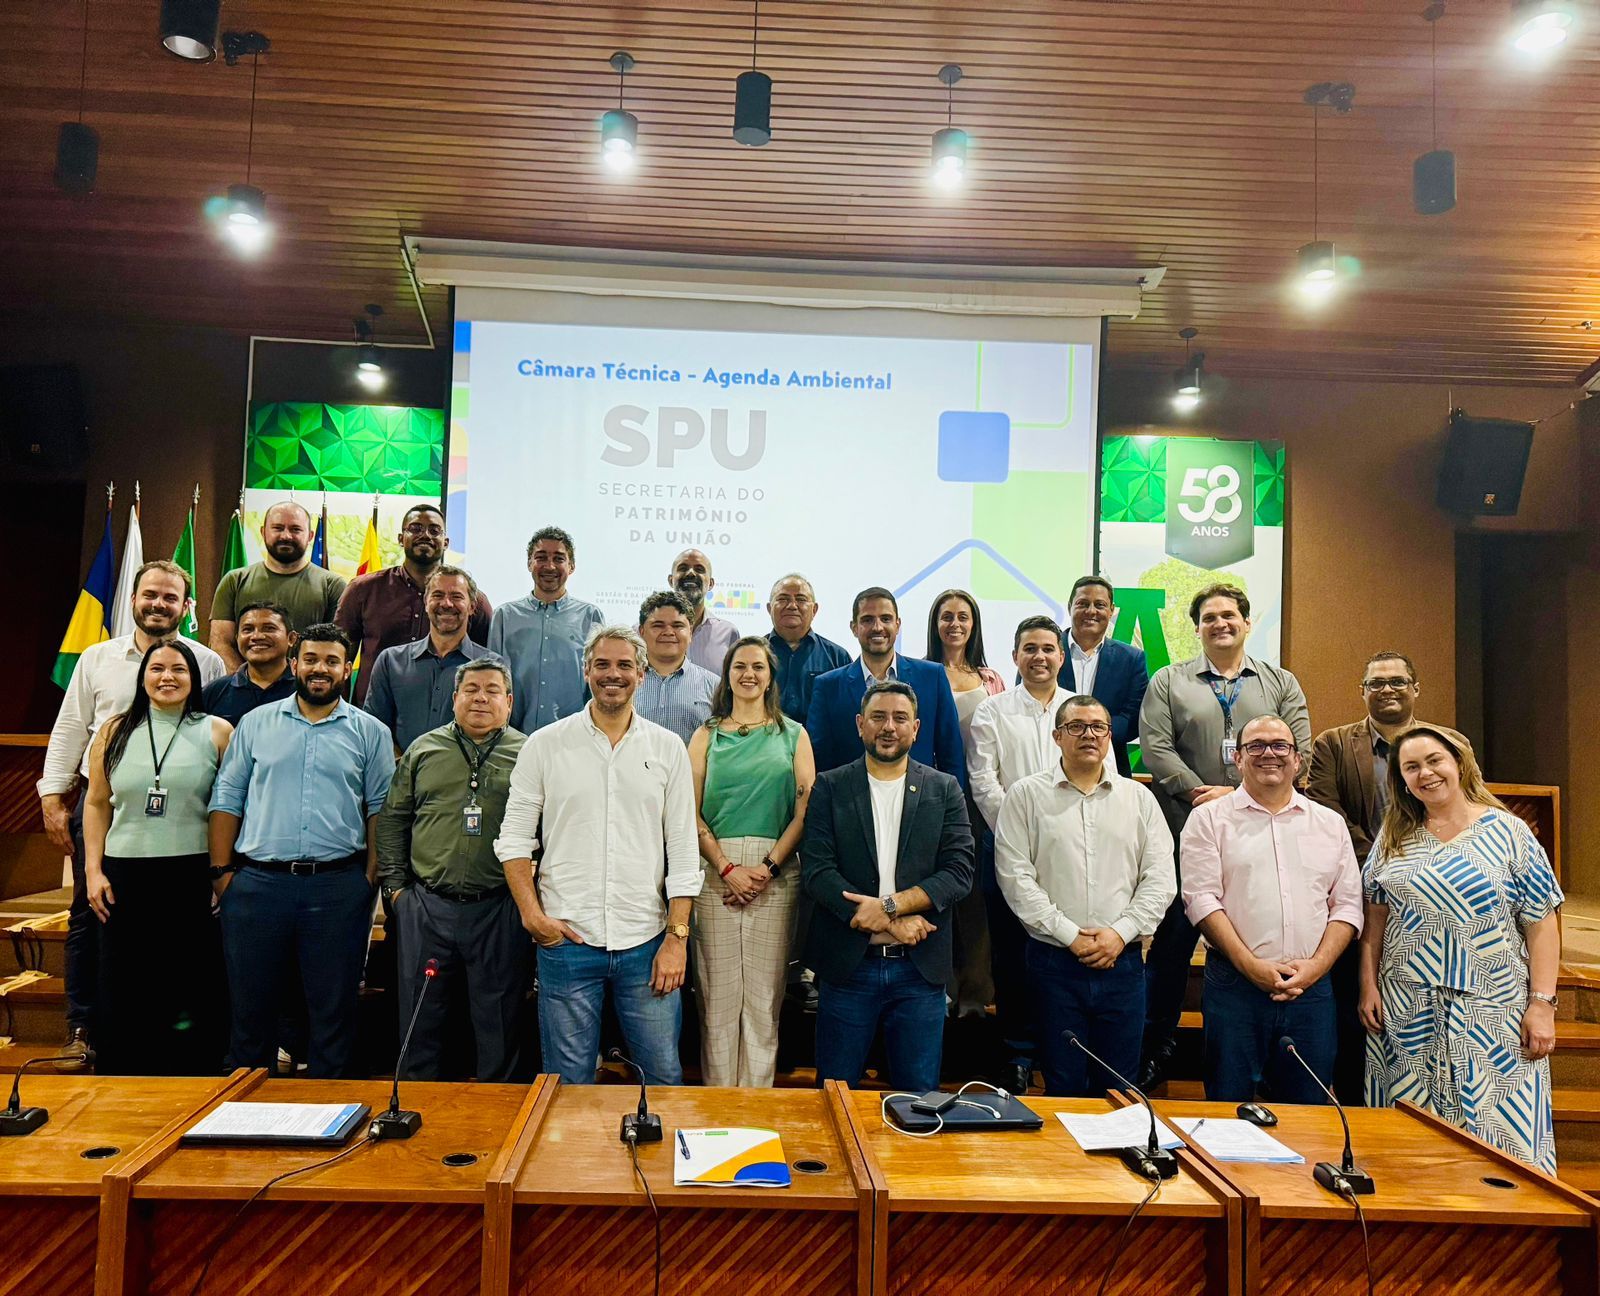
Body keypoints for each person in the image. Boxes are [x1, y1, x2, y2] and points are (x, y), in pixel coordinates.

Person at [38, 559, 226, 1064]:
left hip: (186, 833)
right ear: (134, 598)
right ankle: (84, 1027)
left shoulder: (207, 662)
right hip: (111, 811)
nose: (158, 604)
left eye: (170, 597)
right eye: (150, 595)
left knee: (184, 954)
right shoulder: (98, 658)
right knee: (91, 914)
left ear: (185, 606)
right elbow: (70, 727)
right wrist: (51, 794)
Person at [495, 625, 698, 1085]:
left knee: (664, 1078)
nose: (613, 674)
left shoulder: (667, 749)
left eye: (625, 664)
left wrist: (677, 938)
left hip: (647, 944)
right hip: (566, 943)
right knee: (567, 1085)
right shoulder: (544, 744)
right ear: (586, 671)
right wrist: (533, 917)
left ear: (642, 674)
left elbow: (684, 852)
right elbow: (513, 840)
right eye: (602, 664)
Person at [1359, 726, 1562, 1172]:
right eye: (1411, 767)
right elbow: (1374, 922)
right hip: (1408, 1011)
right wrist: (1367, 986)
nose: (1425, 774)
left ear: (1458, 763)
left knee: (1505, 1141)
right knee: (1410, 1146)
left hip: (1493, 1011)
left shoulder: (1509, 832)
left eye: (1434, 761)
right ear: (1401, 779)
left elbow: (1542, 923)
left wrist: (1542, 1004)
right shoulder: (1394, 837)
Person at [1137, 583, 1311, 1089]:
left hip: (1264, 834)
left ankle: (1261, 1047)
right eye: (1209, 617)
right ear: (1197, 628)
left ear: (1247, 622)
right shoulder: (1169, 681)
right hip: (1186, 827)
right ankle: (1156, 1047)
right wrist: (1202, 794)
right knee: (1172, 944)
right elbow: (1156, 749)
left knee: (1257, 929)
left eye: (1229, 615)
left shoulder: (1280, 682)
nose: (1220, 624)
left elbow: (1293, 743)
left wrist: (1242, 798)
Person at [209, 624, 395, 1078]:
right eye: (311, 659)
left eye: (332, 661)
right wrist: (222, 875)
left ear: (347, 669)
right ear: (295, 664)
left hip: (337, 888)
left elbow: (380, 812)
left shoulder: (370, 732)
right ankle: (243, 1118)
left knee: (333, 1012)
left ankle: (329, 1110)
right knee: (251, 1010)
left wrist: (366, 882)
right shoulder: (255, 724)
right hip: (256, 885)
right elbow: (226, 799)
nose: (320, 669)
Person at [1306, 650, 1469, 1105]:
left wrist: (1422, 866)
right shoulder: (1332, 745)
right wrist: (1390, 862)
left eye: (1397, 682)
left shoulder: (1448, 742)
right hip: (1358, 893)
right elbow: (1328, 814)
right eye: (1376, 683)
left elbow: (1464, 805)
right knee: (1358, 1011)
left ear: (1415, 689)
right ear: (1362, 692)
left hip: (1439, 900)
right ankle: (1361, 1107)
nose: (1387, 690)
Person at [994, 696, 1174, 1096]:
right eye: (1076, 726)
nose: (1088, 734)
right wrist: (1069, 935)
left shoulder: (1139, 799)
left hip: (1122, 965)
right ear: (1057, 736)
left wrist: (1120, 933)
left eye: (1098, 727)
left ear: (1110, 737)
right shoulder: (1025, 796)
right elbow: (1015, 877)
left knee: (1120, 1089)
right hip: (1054, 963)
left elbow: (1160, 878)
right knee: (1063, 1087)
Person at [801, 681, 973, 1091]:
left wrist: (891, 907)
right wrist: (891, 922)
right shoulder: (830, 786)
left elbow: (960, 870)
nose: (888, 727)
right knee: (834, 1095)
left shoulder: (944, 788)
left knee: (918, 1102)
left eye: (899, 718)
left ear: (915, 728)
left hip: (920, 971)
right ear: (861, 725)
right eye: (878, 717)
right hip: (848, 969)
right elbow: (818, 871)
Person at [1181, 715, 1361, 1103]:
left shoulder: (1329, 823)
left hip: (1310, 991)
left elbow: (1346, 904)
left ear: (1297, 760)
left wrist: (1315, 968)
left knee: (1308, 1114)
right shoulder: (1208, 819)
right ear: (1238, 758)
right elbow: (1201, 899)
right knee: (1229, 1111)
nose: (1269, 754)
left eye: (1280, 746)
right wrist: (1250, 966)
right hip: (1235, 987)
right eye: (1256, 746)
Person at [80, 641, 233, 1075]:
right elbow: (96, 804)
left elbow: (232, 810)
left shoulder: (218, 731)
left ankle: (191, 1076)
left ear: (194, 679)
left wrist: (222, 873)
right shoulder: (112, 731)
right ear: (142, 677)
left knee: (190, 981)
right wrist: (93, 871)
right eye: (157, 669)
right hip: (123, 875)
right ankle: (125, 1077)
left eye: (179, 670)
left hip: (192, 874)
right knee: (125, 982)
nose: (167, 677)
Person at [376, 657, 528, 1081]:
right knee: (420, 1018)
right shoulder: (424, 749)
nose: (481, 697)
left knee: (499, 1022)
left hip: (500, 907)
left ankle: (501, 1118)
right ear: (455, 698)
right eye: (472, 689)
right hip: (427, 905)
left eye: (492, 690)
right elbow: (393, 820)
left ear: (509, 701)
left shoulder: (530, 753)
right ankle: (416, 1108)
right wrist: (396, 892)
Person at [688, 636, 815, 1086]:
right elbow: (690, 809)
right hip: (715, 872)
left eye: (758, 666)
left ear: (770, 677)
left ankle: (756, 1106)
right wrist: (726, 867)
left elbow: (804, 811)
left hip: (775, 872)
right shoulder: (706, 735)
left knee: (763, 1001)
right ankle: (718, 1104)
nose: (748, 674)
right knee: (718, 1001)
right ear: (727, 675)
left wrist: (768, 868)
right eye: (739, 666)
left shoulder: (794, 734)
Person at [967, 614, 1071, 1091]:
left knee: (1061, 954)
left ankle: (1059, 1050)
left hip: (1072, 853)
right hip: (1007, 849)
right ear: (1014, 657)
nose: (1039, 657)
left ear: (1061, 656)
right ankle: (1017, 1054)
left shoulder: (1081, 710)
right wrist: (1017, 833)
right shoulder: (994, 711)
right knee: (1012, 957)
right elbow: (984, 780)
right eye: (1029, 649)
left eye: (1048, 648)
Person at [925, 589, 1004, 1022]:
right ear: (934, 623)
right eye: (946, 616)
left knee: (973, 898)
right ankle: (940, 987)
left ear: (974, 624)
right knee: (934, 894)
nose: (955, 624)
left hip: (977, 802)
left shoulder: (991, 679)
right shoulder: (919, 672)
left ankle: (974, 991)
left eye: (963, 616)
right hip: (930, 798)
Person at [335, 503, 493, 705]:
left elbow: (484, 661)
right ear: (401, 539)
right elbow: (338, 657)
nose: (425, 535)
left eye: (434, 530)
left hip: (446, 720)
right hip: (374, 716)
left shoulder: (471, 600)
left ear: (445, 542)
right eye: (416, 528)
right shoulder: (363, 590)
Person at [805, 587, 966, 784]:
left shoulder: (932, 677)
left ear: (898, 625)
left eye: (886, 619)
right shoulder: (828, 686)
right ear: (854, 627)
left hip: (920, 807)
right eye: (867, 620)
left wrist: (953, 809)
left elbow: (951, 754)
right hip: (850, 806)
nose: (877, 627)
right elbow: (819, 761)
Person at [487, 526, 604, 733]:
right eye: (541, 558)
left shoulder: (590, 616)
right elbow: (492, 680)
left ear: (571, 566)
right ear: (529, 563)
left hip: (573, 738)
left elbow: (597, 682)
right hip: (513, 738)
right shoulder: (504, 616)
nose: (549, 566)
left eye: (559, 559)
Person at [364, 565, 488, 752]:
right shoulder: (390, 661)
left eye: (456, 597)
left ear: (471, 606)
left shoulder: (492, 667)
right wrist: (406, 768)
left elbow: (495, 734)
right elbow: (374, 728)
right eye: (438, 595)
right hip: (400, 776)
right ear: (426, 602)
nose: (446, 603)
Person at [209, 501, 346, 667]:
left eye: (295, 529)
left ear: (310, 536)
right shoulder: (234, 581)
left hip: (306, 690)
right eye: (278, 528)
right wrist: (249, 686)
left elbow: (336, 648)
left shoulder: (333, 585)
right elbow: (221, 643)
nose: (286, 536)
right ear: (263, 532)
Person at [1054, 577, 1148, 777]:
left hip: (1111, 770)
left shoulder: (1132, 659)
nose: (1091, 611)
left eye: (1100, 605)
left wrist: (1085, 731)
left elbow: (1132, 721)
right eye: (1083, 604)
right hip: (1049, 763)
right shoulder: (1045, 653)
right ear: (1070, 606)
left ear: (1111, 610)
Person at [765, 572, 850, 724]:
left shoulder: (837, 657)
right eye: (783, 599)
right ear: (769, 608)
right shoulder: (752, 653)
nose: (792, 605)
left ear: (814, 609)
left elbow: (847, 711)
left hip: (819, 746)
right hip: (762, 744)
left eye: (801, 599)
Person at [635, 590, 718, 742]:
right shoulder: (625, 682)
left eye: (677, 625)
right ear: (641, 632)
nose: (668, 632)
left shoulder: (714, 686)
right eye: (658, 625)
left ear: (690, 633)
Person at [202, 601, 297, 724]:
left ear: (291, 638)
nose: (256, 636)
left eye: (269, 628)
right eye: (248, 630)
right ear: (237, 639)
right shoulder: (214, 692)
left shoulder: (306, 689)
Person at [669, 547, 740, 673]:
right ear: (671, 580)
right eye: (683, 568)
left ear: (711, 583)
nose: (691, 573)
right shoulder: (643, 632)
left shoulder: (729, 634)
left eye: (699, 569)